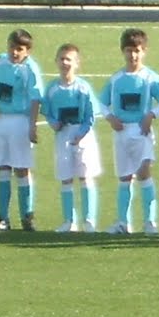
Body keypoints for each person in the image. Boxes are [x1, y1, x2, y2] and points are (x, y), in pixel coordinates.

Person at [100, 28, 159, 234]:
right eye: (129, 50)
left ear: (144, 51)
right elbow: (101, 103)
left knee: (143, 173)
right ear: (123, 51)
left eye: (137, 51)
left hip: (142, 133)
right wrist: (110, 117)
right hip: (121, 133)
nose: (133, 55)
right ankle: (123, 222)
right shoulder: (116, 79)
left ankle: (150, 221)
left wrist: (151, 115)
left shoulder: (149, 77)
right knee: (124, 177)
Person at [0, 28, 44, 231]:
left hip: (20, 121)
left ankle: (27, 217)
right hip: (1, 120)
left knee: (21, 169)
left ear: (27, 51)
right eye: (12, 47)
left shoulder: (30, 69)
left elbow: (36, 98)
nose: (14, 52)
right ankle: (2, 218)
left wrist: (33, 125)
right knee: (2, 167)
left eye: (20, 49)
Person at [41, 42, 102, 232]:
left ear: (77, 63)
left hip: (82, 136)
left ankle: (89, 220)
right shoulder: (52, 88)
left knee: (85, 176)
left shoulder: (83, 88)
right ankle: (69, 221)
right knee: (65, 177)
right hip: (62, 136)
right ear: (56, 61)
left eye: (69, 59)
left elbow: (91, 115)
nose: (65, 63)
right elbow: (47, 112)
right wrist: (53, 123)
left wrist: (81, 133)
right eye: (62, 59)